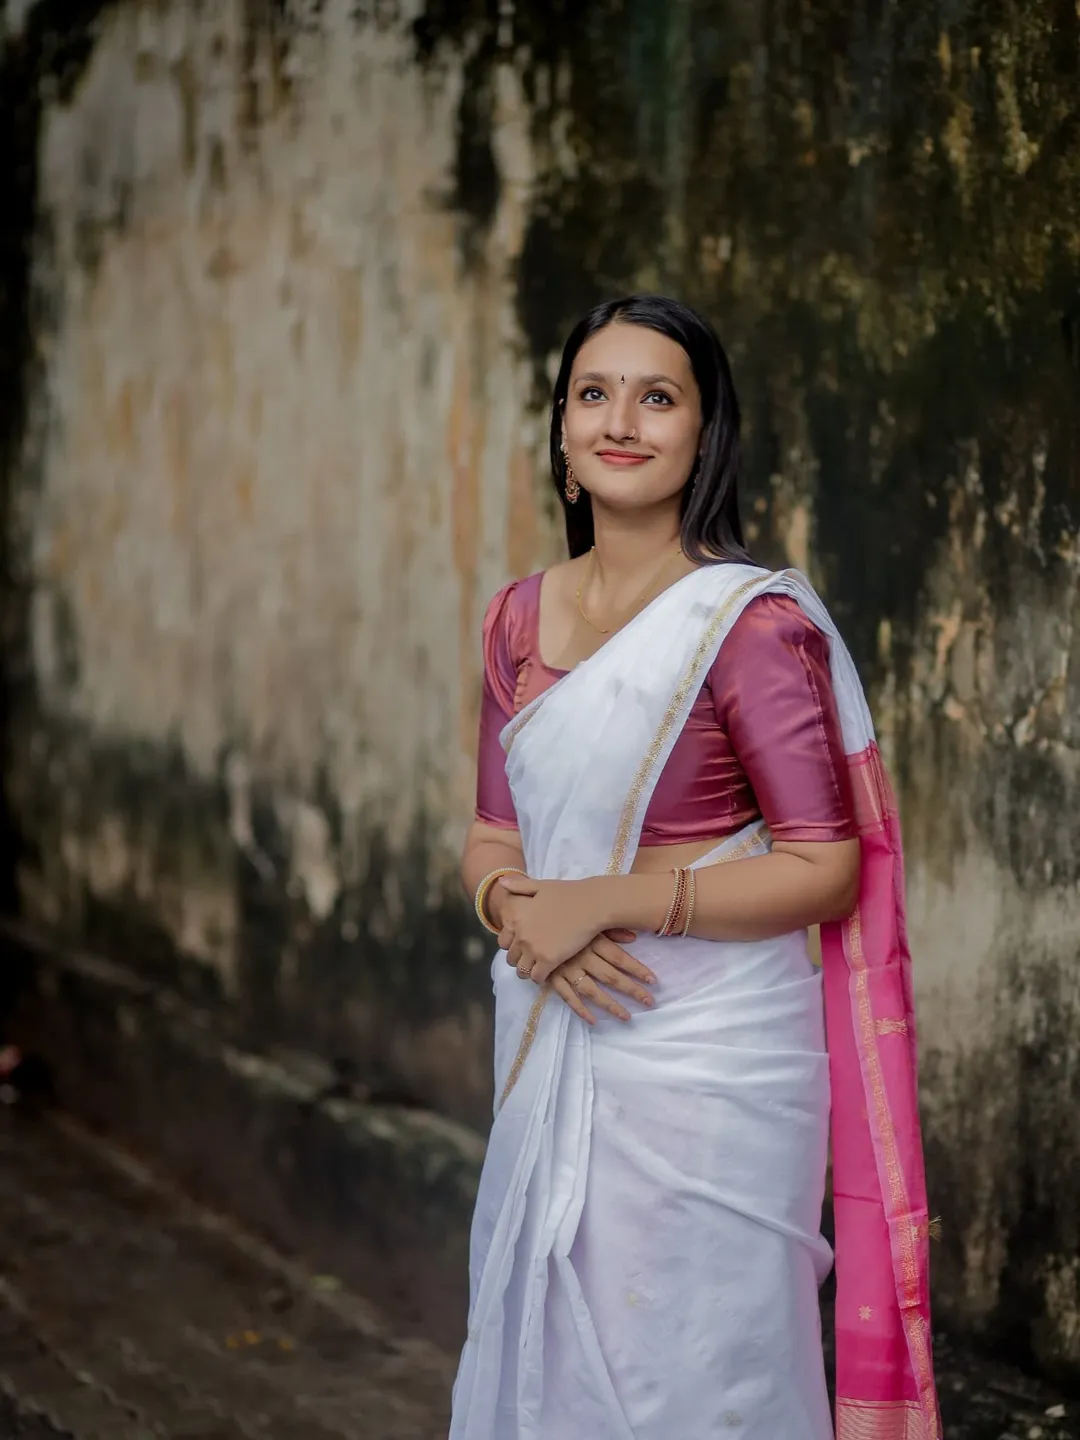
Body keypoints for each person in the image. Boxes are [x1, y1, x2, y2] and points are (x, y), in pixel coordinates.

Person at [452, 295, 940, 1440]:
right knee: (549, 1340)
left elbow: (824, 868)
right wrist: (525, 920)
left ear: (703, 435)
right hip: (550, 1021)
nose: (622, 419)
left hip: (707, 1061)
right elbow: (491, 834)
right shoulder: (516, 620)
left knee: (694, 1368)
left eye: (657, 396)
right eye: (594, 393)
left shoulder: (750, 625)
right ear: (564, 434)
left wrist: (603, 905)